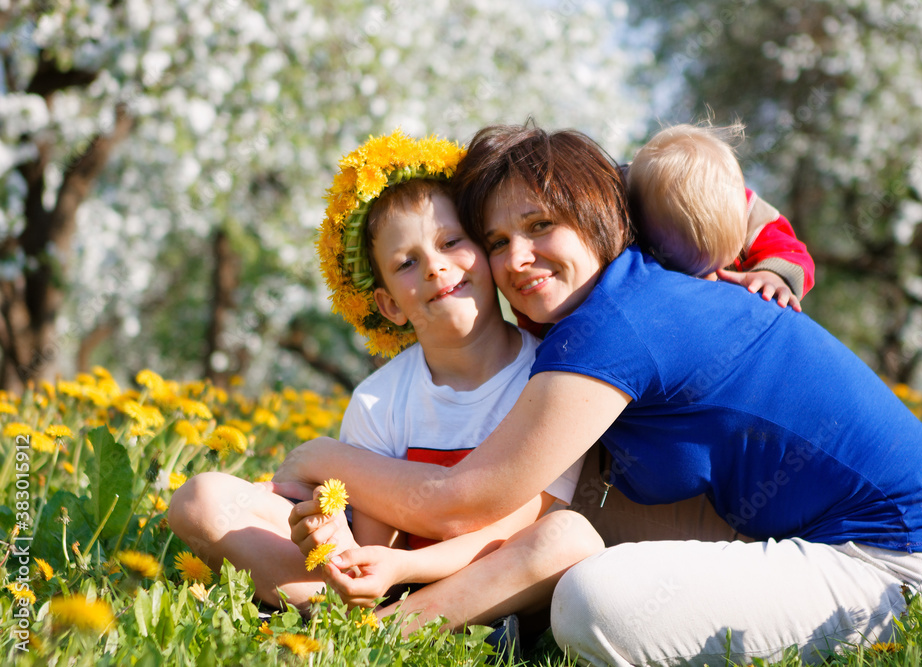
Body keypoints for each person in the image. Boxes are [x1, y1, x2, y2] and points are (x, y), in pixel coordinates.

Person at [275, 124, 922, 666]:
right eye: (495, 240)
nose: (516, 259)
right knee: (584, 514)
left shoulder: (615, 324)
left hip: (914, 563)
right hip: (883, 536)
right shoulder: (634, 285)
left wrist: (317, 455)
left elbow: (463, 498)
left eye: (540, 227)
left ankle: (387, 638)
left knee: (591, 602)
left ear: (598, 216)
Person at [169, 131, 601, 641]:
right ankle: (364, 618)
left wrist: (404, 569)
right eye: (407, 263)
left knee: (568, 538)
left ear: (484, 253)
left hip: (493, 572)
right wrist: (332, 540)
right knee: (200, 498)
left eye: (451, 242)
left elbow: (514, 527)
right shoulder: (380, 397)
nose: (436, 266)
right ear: (391, 304)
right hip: (388, 581)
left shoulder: (546, 376)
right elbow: (369, 535)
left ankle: (385, 631)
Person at [627, 122, 814, 311]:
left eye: (722, 265)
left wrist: (773, 275)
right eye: (697, 272)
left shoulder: (751, 217)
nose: (713, 278)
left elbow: (792, 253)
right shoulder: (635, 206)